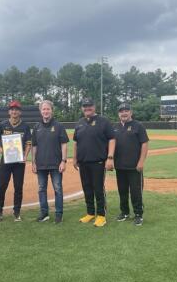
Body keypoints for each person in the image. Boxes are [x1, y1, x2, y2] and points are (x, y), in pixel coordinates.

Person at [73, 97, 116, 227]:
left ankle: (101, 215)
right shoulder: (80, 123)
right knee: (87, 188)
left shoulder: (104, 122)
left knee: (98, 189)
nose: (87, 108)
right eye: (85, 106)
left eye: (89, 106)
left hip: (98, 162)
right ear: (82, 108)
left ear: (94, 107)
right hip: (83, 162)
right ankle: (90, 213)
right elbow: (76, 142)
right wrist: (75, 158)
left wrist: (110, 158)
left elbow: (112, 139)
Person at [31, 100, 69, 223]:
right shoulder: (36, 127)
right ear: (40, 111)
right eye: (44, 109)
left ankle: (59, 214)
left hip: (56, 164)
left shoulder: (58, 126)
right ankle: (44, 213)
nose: (46, 111)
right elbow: (34, 146)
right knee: (41, 189)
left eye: (48, 109)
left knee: (57, 189)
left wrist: (63, 161)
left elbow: (64, 144)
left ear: (52, 110)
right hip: (41, 164)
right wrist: (33, 162)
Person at [0, 101, 31, 222]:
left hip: (19, 162)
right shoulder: (3, 125)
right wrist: (1, 150)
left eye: (16, 109)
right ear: (9, 111)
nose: (14, 111)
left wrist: (25, 156)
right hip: (6, 160)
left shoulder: (25, 126)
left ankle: (17, 212)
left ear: (20, 112)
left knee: (18, 187)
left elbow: (28, 143)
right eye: (12, 109)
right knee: (1, 186)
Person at [113, 103, 149, 226]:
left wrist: (141, 161)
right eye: (121, 111)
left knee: (136, 192)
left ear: (131, 112)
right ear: (118, 113)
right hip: (119, 166)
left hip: (134, 166)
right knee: (122, 191)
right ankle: (124, 212)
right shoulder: (115, 127)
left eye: (126, 111)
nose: (124, 113)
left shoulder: (138, 126)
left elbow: (144, 144)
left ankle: (138, 214)